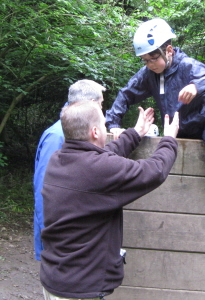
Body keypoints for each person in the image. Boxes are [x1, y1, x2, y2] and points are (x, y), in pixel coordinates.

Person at [40, 100, 179, 299]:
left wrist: (135, 133)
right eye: (104, 125)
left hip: (55, 279)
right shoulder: (99, 168)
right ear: (95, 132)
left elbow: (103, 157)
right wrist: (169, 139)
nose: (106, 130)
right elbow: (155, 171)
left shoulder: (58, 159)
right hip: (80, 290)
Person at [106, 18, 205, 160]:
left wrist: (196, 86)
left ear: (169, 50)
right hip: (178, 129)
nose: (149, 64)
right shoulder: (148, 74)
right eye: (145, 60)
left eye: (153, 58)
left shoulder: (187, 65)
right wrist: (114, 124)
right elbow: (126, 95)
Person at [33, 79, 106, 261]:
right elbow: (43, 189)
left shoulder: (76, 132)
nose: (102, 110)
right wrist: (48, 236)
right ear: (91, 103)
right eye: (101, 104)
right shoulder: (58, 135)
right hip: (57, 239)